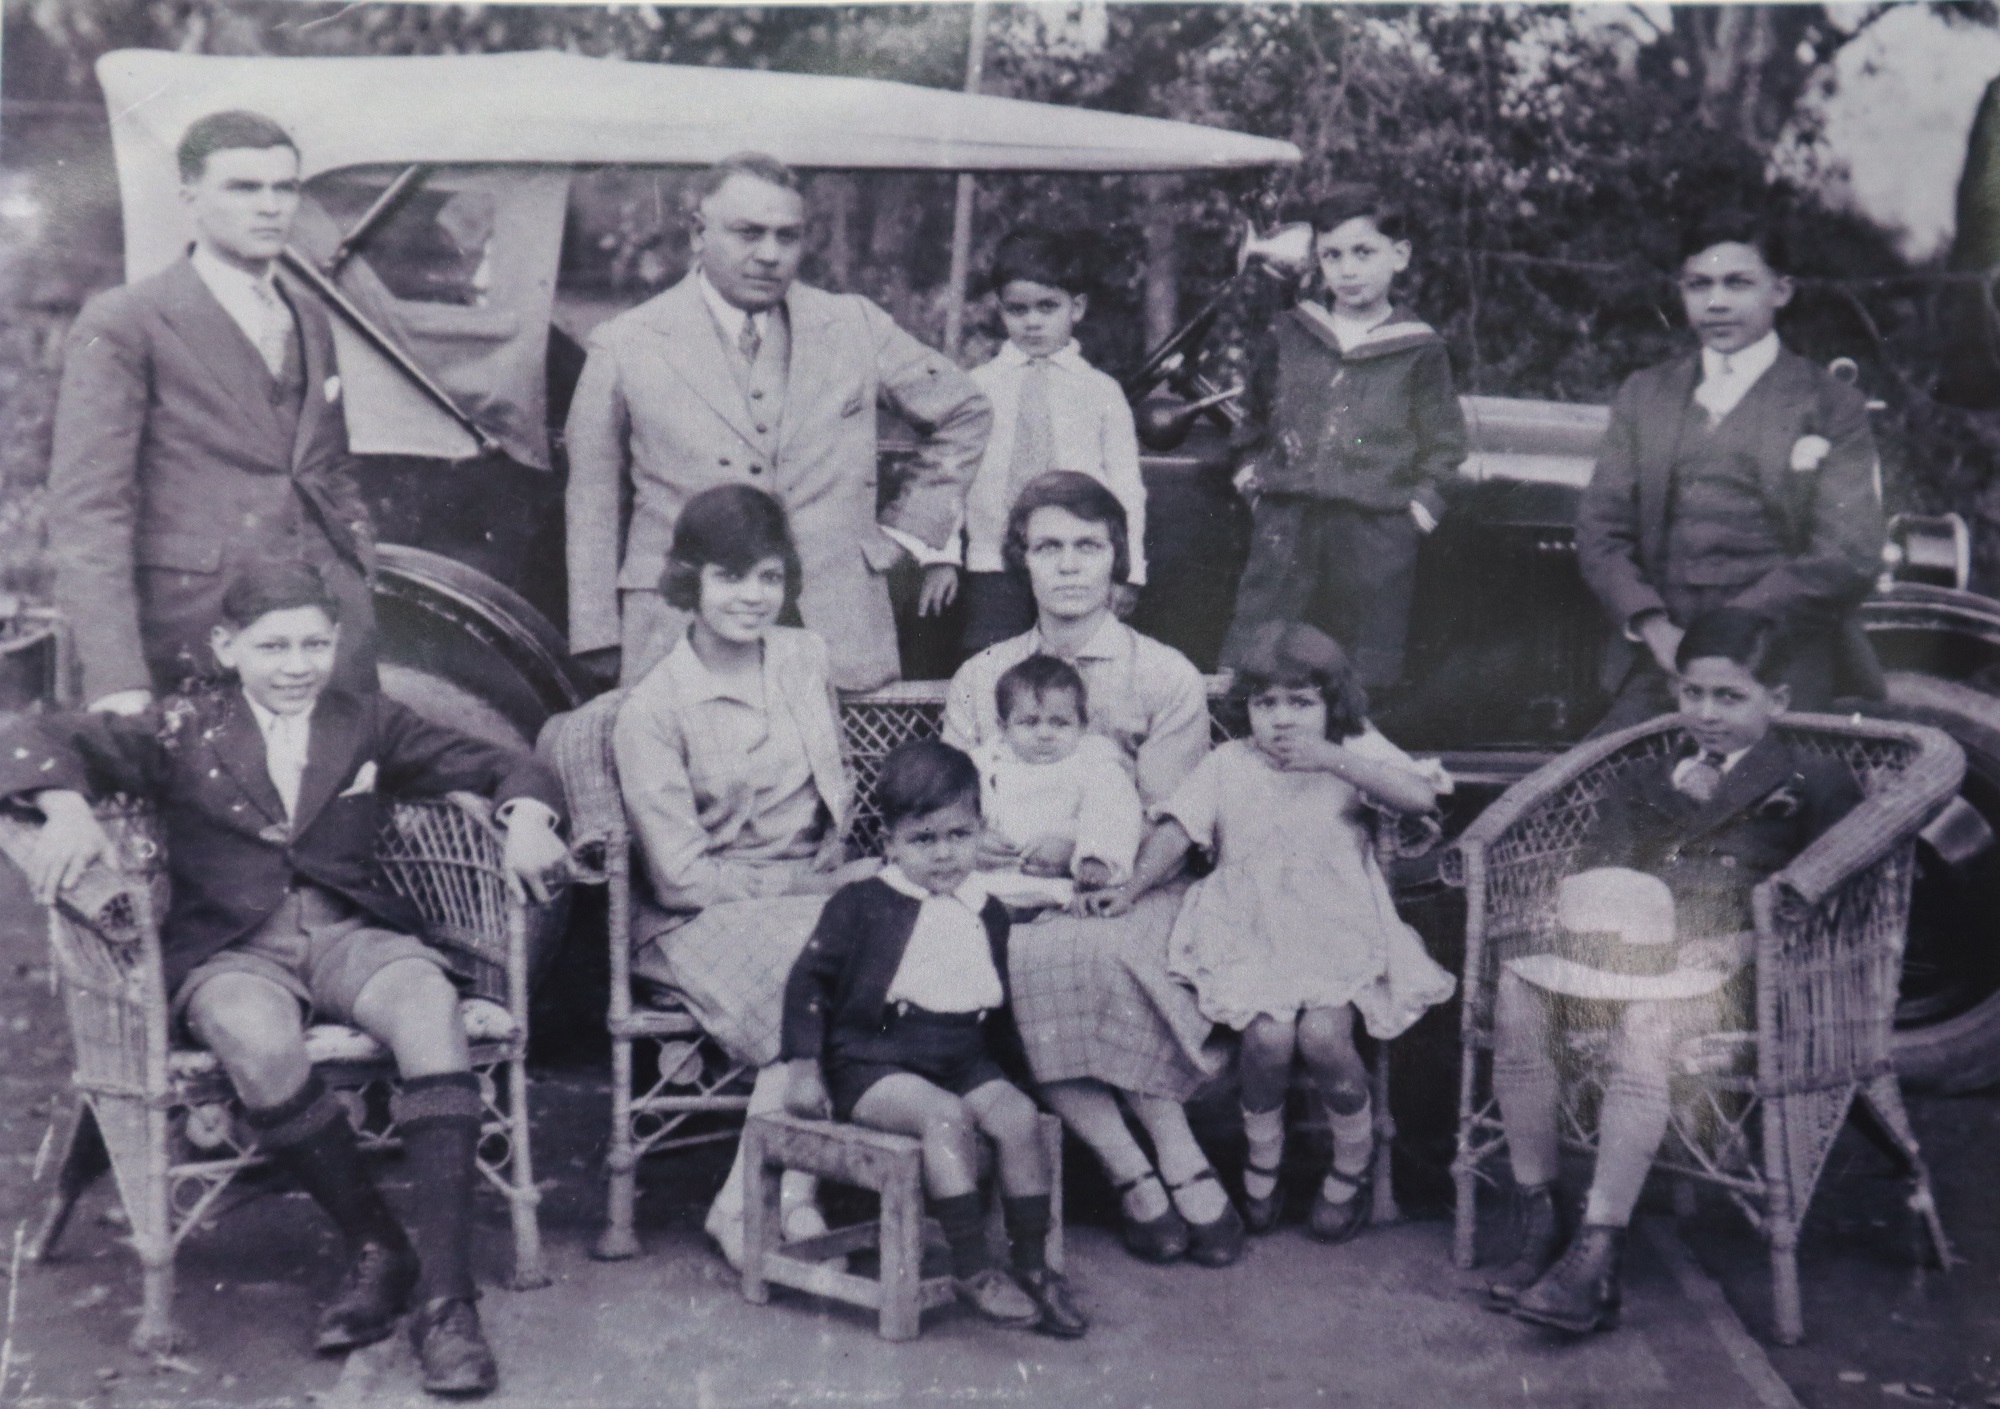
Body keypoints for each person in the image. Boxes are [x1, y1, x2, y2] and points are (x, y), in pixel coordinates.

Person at [6, 560, 571, 1395]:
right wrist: (64, 804)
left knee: (429, 1005)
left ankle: (448, 1301)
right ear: (229, 647)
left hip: (349, 932)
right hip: (235, 948)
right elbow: (30, 735)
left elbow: (506, 765)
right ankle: (378, 1240)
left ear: (336, 643)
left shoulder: (367, 720)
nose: (297, 663)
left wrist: (526, 818)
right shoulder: (179, 726)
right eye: (274, 646)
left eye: (314, 643)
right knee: (254, 1036)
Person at [1486, 608, 1862, 1335]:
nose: (1707, 713)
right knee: (1518, 990)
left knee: (1649, 1023)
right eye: (1693, 694)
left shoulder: (1814, 780)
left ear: (1777, 700)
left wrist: (1746, 946)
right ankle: (1542, 1214)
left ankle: (1599, 1251)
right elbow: (1599, 870)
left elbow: (1831, 894)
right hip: (1634, 955)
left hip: (1747, 974)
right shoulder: (1645, 776)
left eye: (1730, 697)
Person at [943, 471, 1245, 1268]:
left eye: (1089, 546)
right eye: (1049, 547)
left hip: (1141, 878)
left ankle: (1174, 1157)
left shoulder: (1162, 672)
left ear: (1118, 558)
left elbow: (1175, 817)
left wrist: (1116, 884)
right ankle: (1140, 1170)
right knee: (1040, 955)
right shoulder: (985, 676)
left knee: (1096, 950)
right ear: (1023, 561)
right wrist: (975, 846)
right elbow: (951, 801)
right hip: (1008, 888)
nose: (1070, 565)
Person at [564, 152, 992, 694]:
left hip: (835, 632)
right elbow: (592, 498)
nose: (769, 255)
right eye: (748, 233)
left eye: (787, 237)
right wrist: (597, 630)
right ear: (699, 234)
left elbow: (965, 411)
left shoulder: (854, 326)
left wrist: (908, 528)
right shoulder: (627, 343)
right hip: (679, 628)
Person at [1091, 622, 1454, 1243]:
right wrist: (1130, 887)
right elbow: (1177, 830)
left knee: (1323, 1036)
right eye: (1266, 704)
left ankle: (1352, 1165)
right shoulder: (1228, 762)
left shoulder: (1349, 749)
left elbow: (1420, 797)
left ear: (1330, 704)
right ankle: (1265, 1162)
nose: (1282, 720)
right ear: (1247, 708)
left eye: (1300, 703)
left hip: (1334, 927)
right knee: (1266, 1040)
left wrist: (1337, 759)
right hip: (1250, 931)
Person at [610, 484, 878, 1267]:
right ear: (689, 580)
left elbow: (836, 774)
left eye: (768, 576)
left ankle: (769, 1194)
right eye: (730, 577)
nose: (753, 597)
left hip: (810, 890)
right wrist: (817, 888)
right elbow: (681, 878)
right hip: (693, 917)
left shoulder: (804, 655)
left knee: (863, 945)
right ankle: (775, 1195)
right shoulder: (654, 709)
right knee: (821, 959)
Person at [48, 110, 379, 712]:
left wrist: (357, 571)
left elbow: (328, 470)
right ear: (189, 198)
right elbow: (89, 511)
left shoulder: (308, 317)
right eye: (244, 188)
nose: (270, 206)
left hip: (323, 641)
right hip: (196, 635)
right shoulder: (127, 321)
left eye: (285, 188)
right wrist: (117, 676)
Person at [781, 739, 1088, 1338]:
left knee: (1019, 1118)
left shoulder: (986, 909)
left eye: (958, 835)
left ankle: (1032, 1264)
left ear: (979, 829)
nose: (944, 854)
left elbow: (994, 1011)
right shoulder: (862, 902)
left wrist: (1010, 1077)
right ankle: (973, 1268)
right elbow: (808, 981)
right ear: (890, 841)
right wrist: (802, 1064)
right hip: (874, 1063)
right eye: (923, 840)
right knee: (944, 1118)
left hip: (961, 1054)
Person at [1576, 208, 1887, 734]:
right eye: (1699, 285)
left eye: (1738, 283)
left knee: (1775, 800)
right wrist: (1654, 627)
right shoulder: (1645, 394)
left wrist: (1732, 635)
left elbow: (1849, 552)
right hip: (1666, 663)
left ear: (1781, 291)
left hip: (1778, 665)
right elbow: (1600, 531)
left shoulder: (1830, 405)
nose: (1716, 302)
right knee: (1592, 796)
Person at [1220, 185, 1467, 696]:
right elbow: (1252, 419)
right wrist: (1254, 480)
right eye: (1332, 256)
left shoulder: (1419, 349)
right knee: (1264, 653)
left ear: (1398, 256)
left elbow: (1444, 447)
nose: (1348, 270)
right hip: (1286, 528)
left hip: (1371, 537)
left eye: (1363, 252)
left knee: (1357, 674)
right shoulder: (1291, 333)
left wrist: (1413, 516)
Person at [959, 227, 1147, 657]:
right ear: (1001, 310)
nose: (1032, 321)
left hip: (1076, 562)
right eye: (1017, 309)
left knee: (1078, 660)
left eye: (1048, 307)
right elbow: (954, 475)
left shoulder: (1100, 390)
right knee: (991, 660)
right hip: (994, 561)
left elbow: (1126, 487)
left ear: (1076, 307)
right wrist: (941, 558)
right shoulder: (978, 387)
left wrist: (1129, 570)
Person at [969, 654, 1142, 910]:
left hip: (1065, 869)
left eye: (1059, 723)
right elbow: (954, 805)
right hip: (998, 869)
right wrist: (974, 839)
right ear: (1003, 728)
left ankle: (1091, 868)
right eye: (1029, 723)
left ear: (1082, 726)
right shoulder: (987, 762)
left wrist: (1092, 856)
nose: (1044, 734)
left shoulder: (1094, 763)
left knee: (1112, 788)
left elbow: (1114, 812)